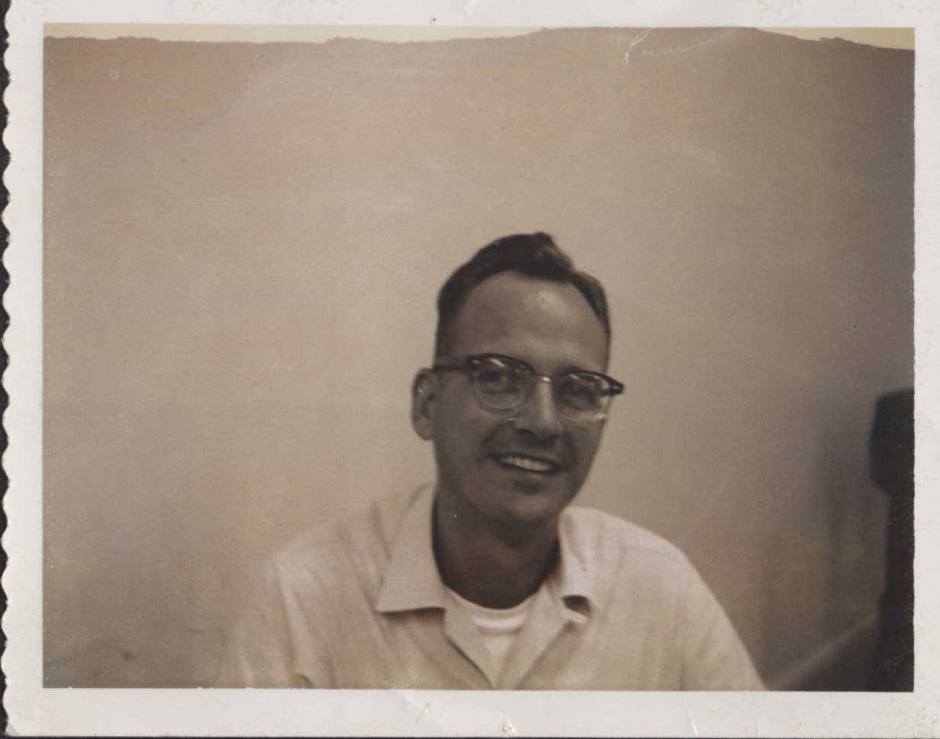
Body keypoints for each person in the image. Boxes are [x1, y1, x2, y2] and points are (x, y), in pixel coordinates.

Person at [219, 232, 763, 690]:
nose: (543, 422)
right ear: (427, 405)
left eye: (579, 389)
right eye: (499, 377)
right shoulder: (304, 599)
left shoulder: (660, 586)